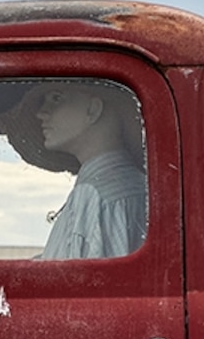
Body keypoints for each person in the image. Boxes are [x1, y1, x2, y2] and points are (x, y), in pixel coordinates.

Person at [15, 82, 147, 259]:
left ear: (93, 109)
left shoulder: (94, 195)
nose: (41, 113)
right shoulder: (130, 186)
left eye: (56, 98)